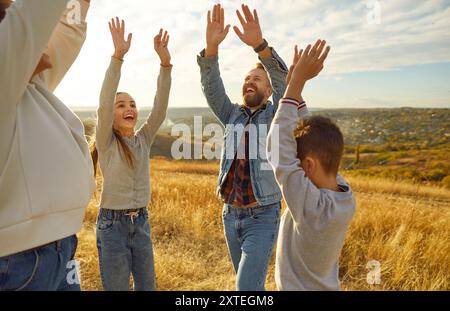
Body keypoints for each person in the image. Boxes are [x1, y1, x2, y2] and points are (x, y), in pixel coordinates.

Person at [0, 0, 95, 291]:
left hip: (61, 249)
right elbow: (35, 14)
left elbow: (68, 26)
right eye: (8, 10)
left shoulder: (30, 85)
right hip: (19, 263)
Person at [197, 3, 288, 291]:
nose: (249, 81)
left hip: (262, 214)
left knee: (246, 288)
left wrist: (261, 47)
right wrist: (211, 49)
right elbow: (212, 88)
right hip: (230, 214)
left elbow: (287, 87)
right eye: (247, 78)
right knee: (249, 287)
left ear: (268, 89)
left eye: (256, 78)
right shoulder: (231, 114)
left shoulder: (276, 115)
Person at [267, 40, 356, 290]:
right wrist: (296, 92)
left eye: (298, 161)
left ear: (307, 165)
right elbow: (309, 138)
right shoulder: (344, 196)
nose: (293, 162)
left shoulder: (310, 209)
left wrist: (297, 84)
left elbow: (278, 148)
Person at [92, 17, 172, 291]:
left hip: (141, 224)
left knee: (147, 286)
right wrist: (117, 57)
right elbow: (104, 104)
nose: (129, 108)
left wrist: (164, 65)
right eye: (121, 105)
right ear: (111, 117)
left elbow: (159, 110)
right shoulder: (106, 142)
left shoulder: (143, 140)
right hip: (112, 227)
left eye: (133, 104)